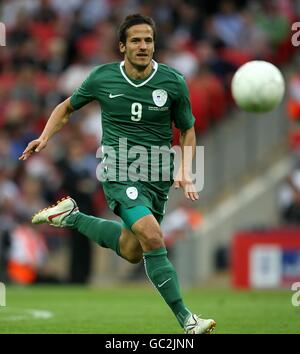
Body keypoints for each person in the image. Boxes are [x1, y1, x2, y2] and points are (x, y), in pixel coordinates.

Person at [19, 14, 216, 334]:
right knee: (152, 235)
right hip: (119, 168)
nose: (143, 46)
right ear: (122, 46)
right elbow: (66, 108)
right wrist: (44, 137)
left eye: (148, 40)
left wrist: (185, 168)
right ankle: (187, 319)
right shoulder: (103, 78)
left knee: (131, 250)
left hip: (157, 176)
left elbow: (188, 129)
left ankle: (72, 217)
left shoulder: (173, 82)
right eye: (136, 40)